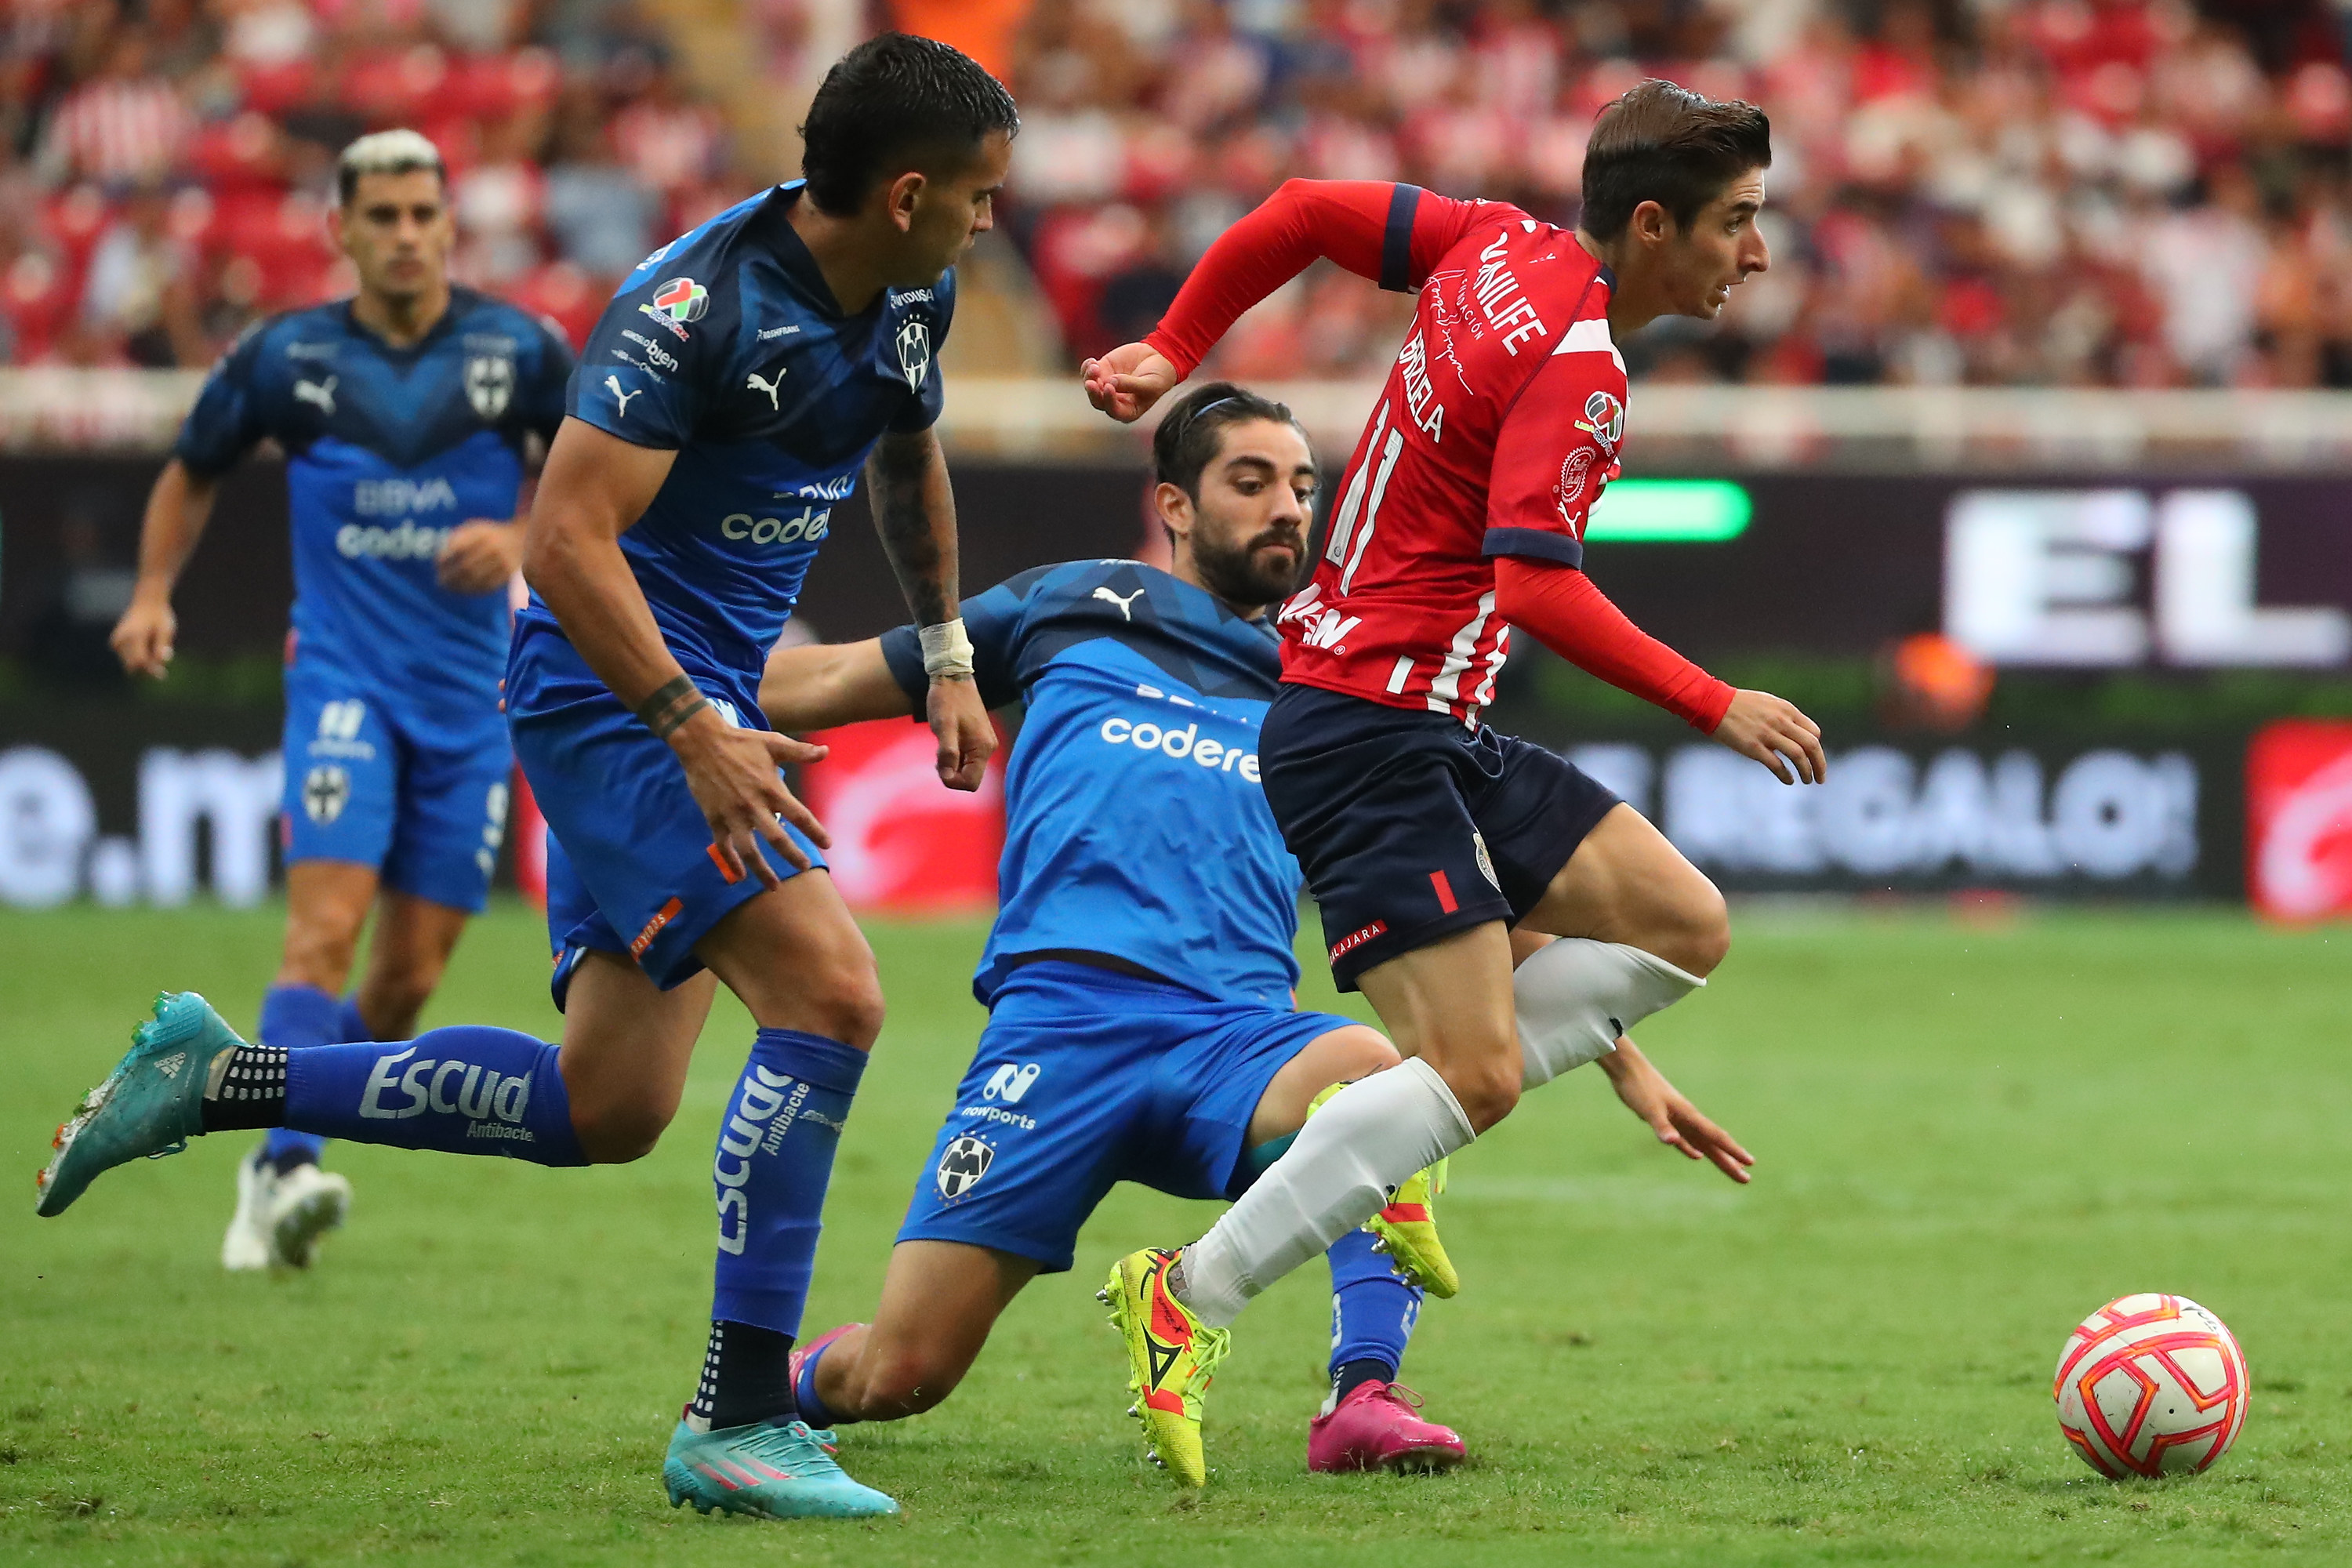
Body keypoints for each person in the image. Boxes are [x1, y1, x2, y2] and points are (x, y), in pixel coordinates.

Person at [39, 34, 1018, 1523]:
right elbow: (563, 542)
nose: (991, 221)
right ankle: (739, 1412)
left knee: (608, 1104)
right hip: (610, 694)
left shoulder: (911, 289)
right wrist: (692, 726)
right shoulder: (692, 310)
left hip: (697, 701)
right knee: (835, 994)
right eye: (977, 196)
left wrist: (946, 648)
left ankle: (218, 1078)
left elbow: (907, 447)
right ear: (902, 194)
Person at [1077, 78, 1809, 1483]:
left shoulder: (1496, 244)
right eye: (1737, 224)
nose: (1755, 255)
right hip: (1366, 731)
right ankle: (1188, 1295)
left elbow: (1298, 212)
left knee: (1682, 924)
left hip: (1429, 726)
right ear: (1654, 225)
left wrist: (1176, 345)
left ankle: (1383, 1140)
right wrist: (1714, 701)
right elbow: (1536, 585)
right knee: (1472, 1073)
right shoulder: (1583, 366)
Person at [757, 383, 1494, 1480]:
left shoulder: (1334, 679)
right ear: (1176, 505)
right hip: (1057, 1037)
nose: (1288, 507)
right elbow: (822, 679)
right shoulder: (1066, 606)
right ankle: (751, 1398)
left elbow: (1475, 889)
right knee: (900, 1374)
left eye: (1301, 487)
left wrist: (1620, 1047)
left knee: (1377, 1085)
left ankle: (1362, 1397)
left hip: (1236, 1037)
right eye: (1251, 483)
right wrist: (646, 688)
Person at [103, 129, 573, 1272]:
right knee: (320, 934)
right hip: (342, 687)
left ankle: (267, 1159)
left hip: (473, 700)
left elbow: (601, 479)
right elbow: (192, 465)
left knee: (406, 986)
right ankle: (294, 1164)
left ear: (451, 224)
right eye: (383, 216)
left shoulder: (522, 351)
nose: (405, 234)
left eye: (424, 213)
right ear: (341, 230)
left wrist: (520, 533)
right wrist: (154, 590)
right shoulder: (287, 356)